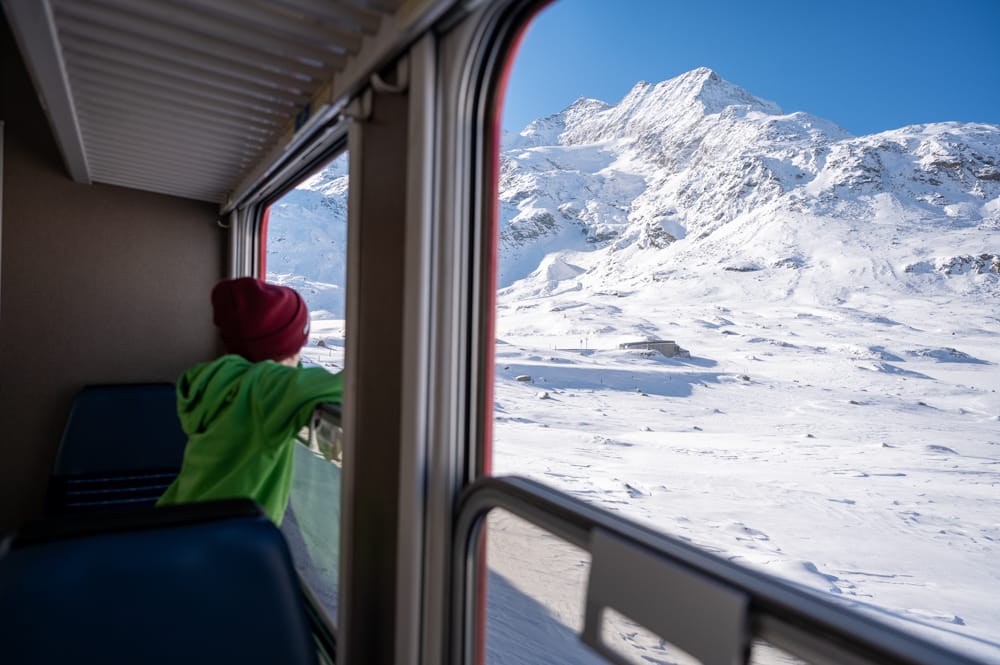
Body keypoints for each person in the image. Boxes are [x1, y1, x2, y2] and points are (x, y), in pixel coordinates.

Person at [157, 277, 343, 525]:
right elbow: (352, 386)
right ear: (285, 347)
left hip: (177, 522)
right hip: (223, 544)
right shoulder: (266, 389)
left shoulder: (218, 381)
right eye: (299, 344)